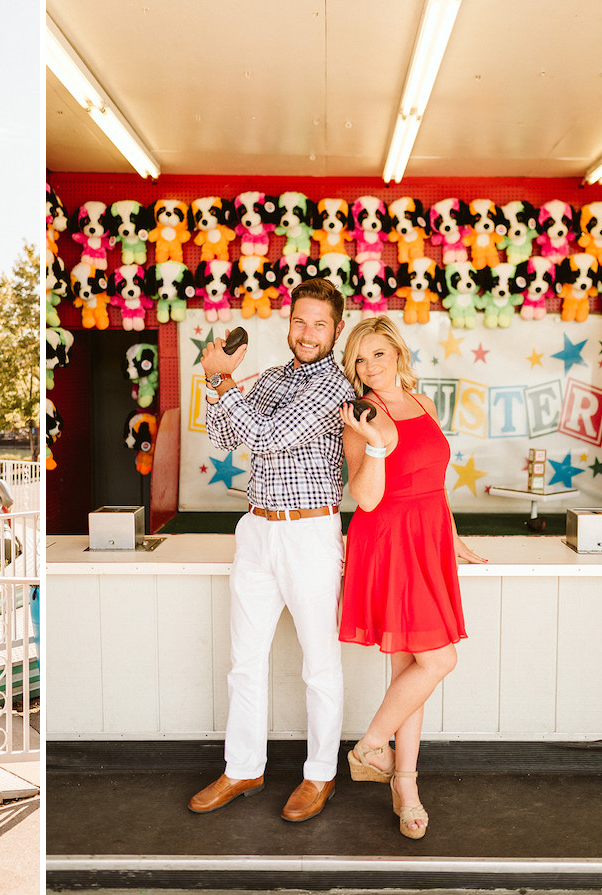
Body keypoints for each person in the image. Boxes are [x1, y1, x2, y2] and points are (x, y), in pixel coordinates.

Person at [189, 278, 356, 823]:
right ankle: (243, 767)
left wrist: (224, 379)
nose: (308, 333)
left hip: (309, 533)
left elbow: (262, 437)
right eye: (300, 321)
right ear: (289, 323)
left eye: (320, 324)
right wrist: (221, 384)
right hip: (258, 528)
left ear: (337, 330)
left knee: (319, 665)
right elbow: (220, 434)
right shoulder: (275, 377)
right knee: (244, 661)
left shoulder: (334, 385)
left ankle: (320, 775)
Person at [336, 315, 486, 839]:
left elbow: (434, 484)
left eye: (377, 354)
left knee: (411, 673)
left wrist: (453, 536)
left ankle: (407, 785)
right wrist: (373, 442)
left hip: (428, 542)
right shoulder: (362, 415)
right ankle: (369, 745)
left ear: (397, 352)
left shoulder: (421, 403)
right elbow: (368, 498)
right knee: (439, 659)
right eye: (358, 359)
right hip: (389, 543)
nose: (368, 367)